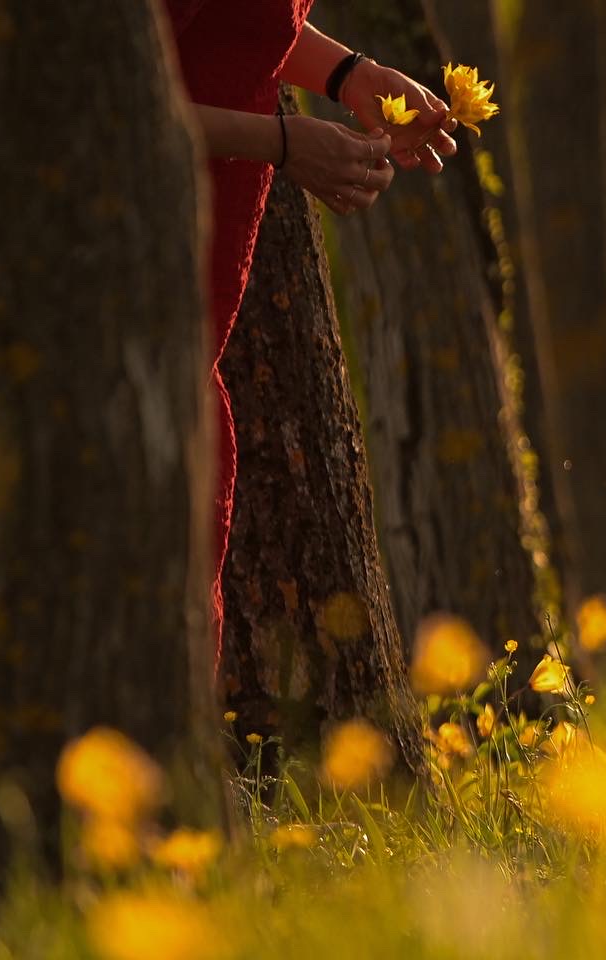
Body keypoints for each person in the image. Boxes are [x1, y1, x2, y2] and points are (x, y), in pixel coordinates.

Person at [162, 0, 460, 659]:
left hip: (180, 326)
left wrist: (348, 74)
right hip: (110, 307)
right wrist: (281, 143)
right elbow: (95, 98)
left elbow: (228, 22)